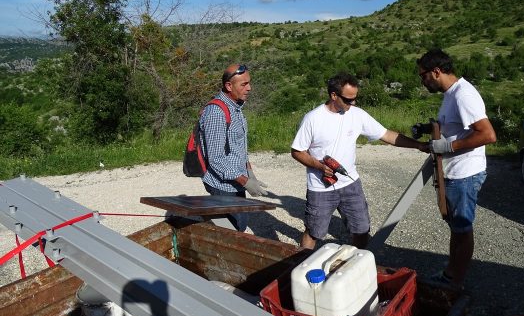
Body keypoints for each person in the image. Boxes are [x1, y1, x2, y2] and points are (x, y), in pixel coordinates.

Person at [291, 72, 429, 250]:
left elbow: (387, 135)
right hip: (320, 188)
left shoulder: (357, 115)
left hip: (351, 185)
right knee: (314, 232)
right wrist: (319, 166)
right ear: (333, 95)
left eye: (355, 98)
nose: (353, 103)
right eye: (348, 100)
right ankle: (301, 265)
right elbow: (297, 151)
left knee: (361, 229)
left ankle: (358, 262)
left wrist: (418, 145)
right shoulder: (313, 119)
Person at [416, 49, 497, 289]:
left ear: (436, 71)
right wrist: (428, 128)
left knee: (462, 230)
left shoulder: (463, 95)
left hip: (464, 174)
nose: (422, 81)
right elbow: (456, 126)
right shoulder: (451, 94)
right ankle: (451, 274)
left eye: (423, 76)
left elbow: (488, 134)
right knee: (456, 228)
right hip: (455, 172)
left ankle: (455, 284)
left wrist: (449, 146)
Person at [200, 64, 268, 232]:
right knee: (234, 229)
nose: (249, 88)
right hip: (222, 185)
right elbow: (216, 159)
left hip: (236, 181)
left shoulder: (236, 108)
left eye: (249, 83)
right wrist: (246, 182)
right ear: (229, 86)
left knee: (238, 225)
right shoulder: (216, 113)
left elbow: (239, 148)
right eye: (243, 84)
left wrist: (249, 172)